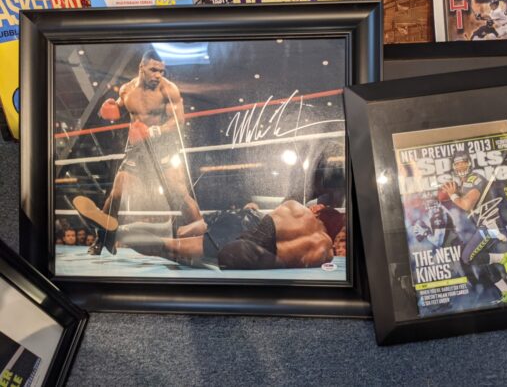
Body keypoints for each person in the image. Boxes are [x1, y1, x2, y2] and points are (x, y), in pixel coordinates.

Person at [75, 50, 204, 256]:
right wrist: (109, 109)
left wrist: (155, 131)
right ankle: (103, 239)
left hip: (162, 147)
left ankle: (202, 236)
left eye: (161, 71)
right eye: (153, 70)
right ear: (141, 68)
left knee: (180, 193)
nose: (158, 75)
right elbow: (119, 109)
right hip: (137, 149)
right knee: (116, 195)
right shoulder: (126, 90)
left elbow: (179, 121)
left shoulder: (168, 90)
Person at [117, 200, 339, 270]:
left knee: (178, 233)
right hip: (255, 252)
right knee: (169, 247)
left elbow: (267, 217)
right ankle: (118, 233)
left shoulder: (298, 208)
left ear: (318, 211)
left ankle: (117, 231)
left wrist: (251, 208)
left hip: (247, 221)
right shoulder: (325, 251)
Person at [441, 150, 507, 304]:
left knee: (467, 257)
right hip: (486, 225)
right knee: (483, 263)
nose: (460, 166)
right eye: (457, 164)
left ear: (469, 163)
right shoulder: (465, 182)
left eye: (463, 162)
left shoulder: (473, 179)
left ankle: (505, 258)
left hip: (490, 226)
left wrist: (453, 195)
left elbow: (467, 205)